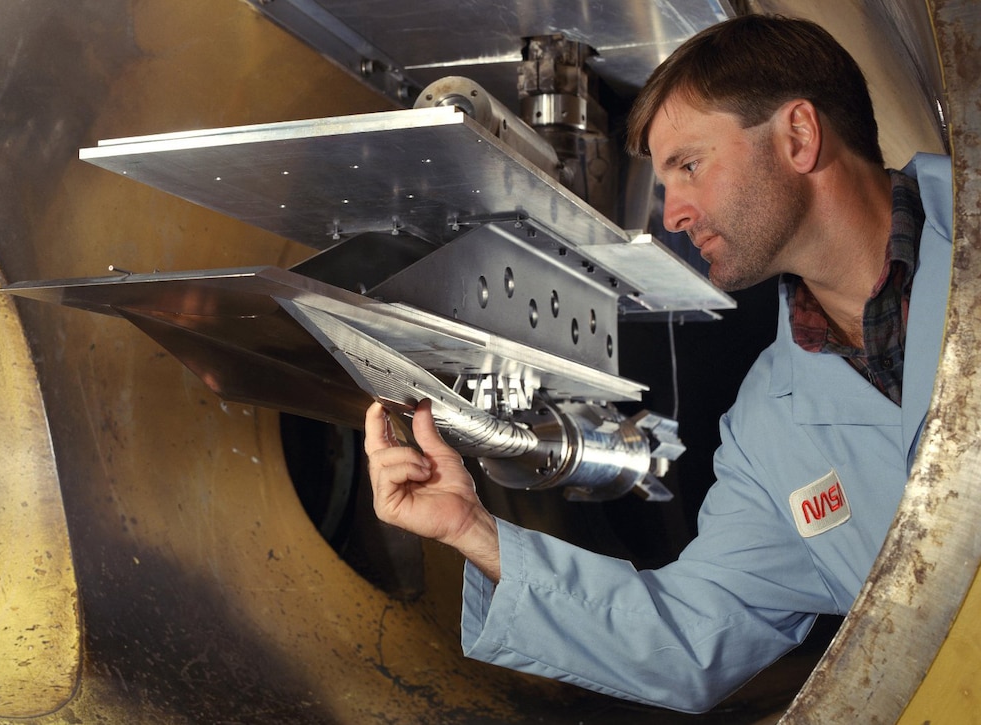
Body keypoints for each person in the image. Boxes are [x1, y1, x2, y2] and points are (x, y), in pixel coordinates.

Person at [364, 14, 952, 713]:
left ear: (798, 135)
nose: (672, 214)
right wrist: (472, 530)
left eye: (690, 166)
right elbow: (691, 636)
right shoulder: (767, 429)